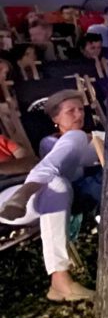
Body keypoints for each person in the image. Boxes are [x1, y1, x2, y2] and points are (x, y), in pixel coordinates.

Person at [0, 90, 100, 301]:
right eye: (70, 111)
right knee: (59, 175)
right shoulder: (49, 142)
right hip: (5, 199)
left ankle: (60, 281)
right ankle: (27, 189)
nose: (78, 115)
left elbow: (28, 161)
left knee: (58, 182)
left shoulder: (2, 141)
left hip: (31, 191)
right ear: (55, 118)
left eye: (80, 110)